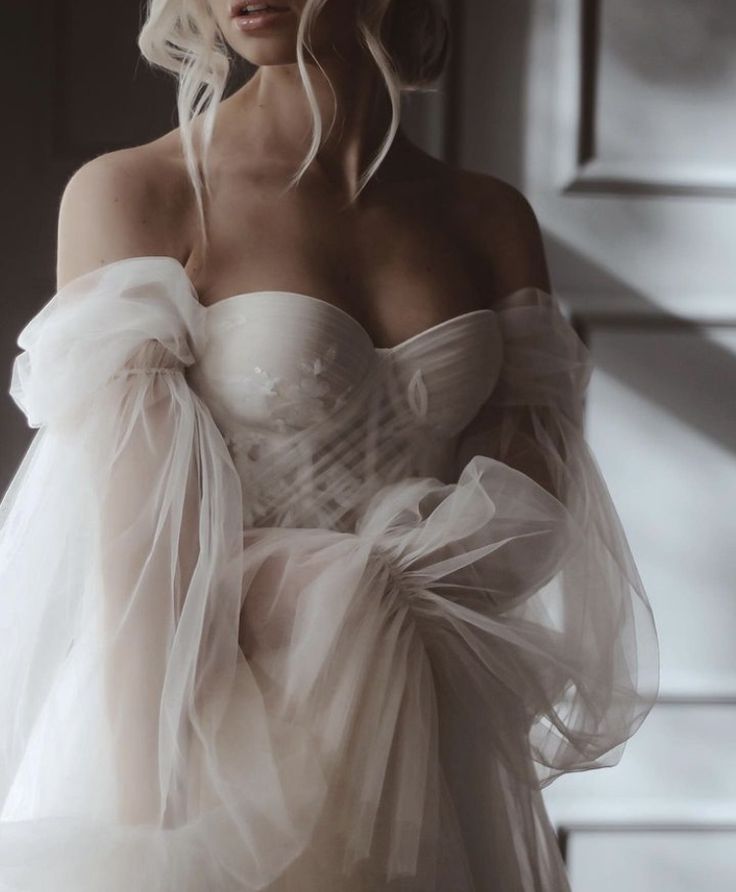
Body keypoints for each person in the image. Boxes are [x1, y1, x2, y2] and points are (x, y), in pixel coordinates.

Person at [0, 1, 660, 890]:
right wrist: (150, 829)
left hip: (426, 733)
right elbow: (138, 548)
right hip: (207, 725)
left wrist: (380, 593)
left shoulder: (488, 218)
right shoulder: (140, 193)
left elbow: (535, 493)